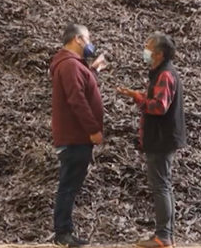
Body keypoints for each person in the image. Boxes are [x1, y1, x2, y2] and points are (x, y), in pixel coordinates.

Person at [117, 32, 186, 248]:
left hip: (161, 138)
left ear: (159, 53)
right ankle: (166, 235)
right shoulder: (161, 73)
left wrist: (137, 97)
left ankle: (163, 237)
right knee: (163, 184)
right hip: (163, 137)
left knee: (161, 186)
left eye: (148, 47)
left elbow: (159, 106)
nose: (145, 51)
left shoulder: (165, 75)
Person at [50, 24, 107, 247]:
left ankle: (64, 231)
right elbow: (77, 100)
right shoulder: (70, 65)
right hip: (75, 137)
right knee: (68, 185)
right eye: (88, 38)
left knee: (69, 184)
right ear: (78, 39)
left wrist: (91, 71)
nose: (90, 43)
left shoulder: (70, 65)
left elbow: (78, 87)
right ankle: (63, 233)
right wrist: (93, 129)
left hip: (73, 136)